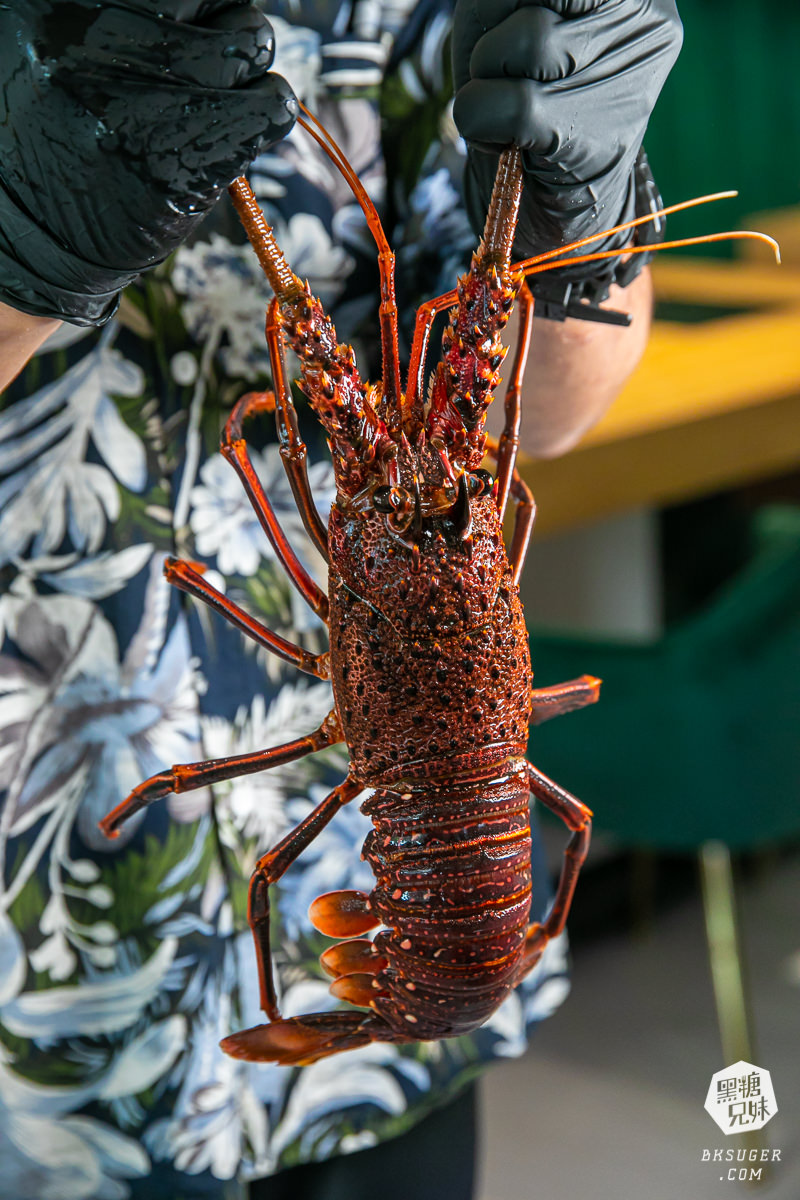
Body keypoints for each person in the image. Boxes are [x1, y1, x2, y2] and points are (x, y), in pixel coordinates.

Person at [0, 2, 681, 1198]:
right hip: (51, 933)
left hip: (395, 989)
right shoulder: (454, 519)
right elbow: (497, 466)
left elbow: (551, 416)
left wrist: (593, 210)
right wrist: (18, 248)